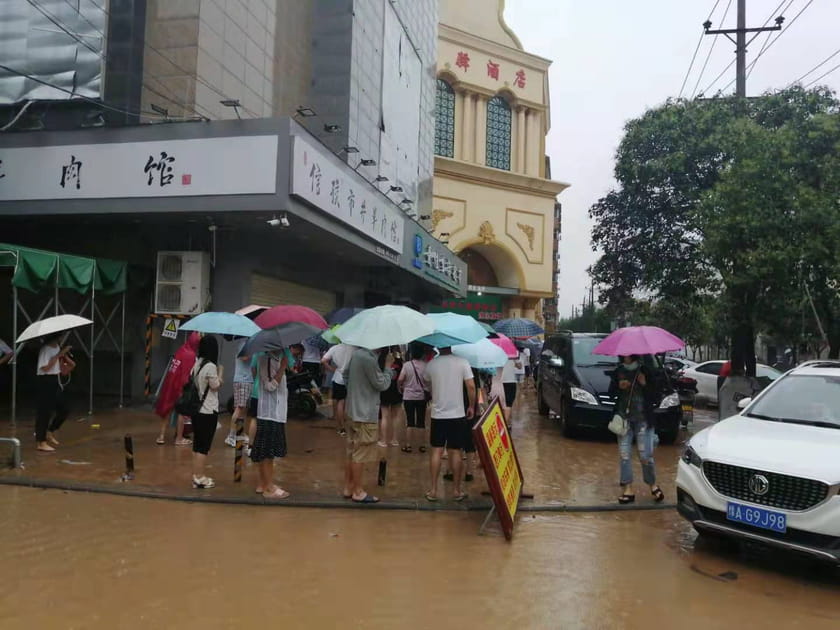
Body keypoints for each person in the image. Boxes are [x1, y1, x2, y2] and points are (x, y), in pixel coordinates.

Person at [608, 354, 664, 505]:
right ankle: (628, 488)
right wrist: (619, 386)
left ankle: (653, 485)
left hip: (643, 420)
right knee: (624, 455)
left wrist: (644, 383)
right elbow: (610, 393)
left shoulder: (646, 370)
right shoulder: (618, 371)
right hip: (624, 420)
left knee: (645, 455)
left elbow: (656, 396)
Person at [423, 346, 476, 502]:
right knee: (455, 452)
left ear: (438, 346)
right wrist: (471, 406)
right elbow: (471, 387)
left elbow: (427, 383)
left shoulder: (432, 364)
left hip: (438, 415)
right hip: (457, 414)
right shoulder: (462, 362)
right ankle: (456, 491)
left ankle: (433, 490)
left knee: (436, 452)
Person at [342, 346, 393, 504]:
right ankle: (358, 491)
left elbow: (345, 375)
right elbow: (381, 384)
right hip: (365, 413)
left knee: (351, 450)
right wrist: (388, 369)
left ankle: (349, 487)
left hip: (352, 410)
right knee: (361, 452)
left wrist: (355, 391)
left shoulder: (356, 354)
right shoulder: (369, 359)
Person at [252, 348, 291, 499]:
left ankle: (264, 484)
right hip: (269, 413)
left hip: (276, 413)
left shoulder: (276, 357)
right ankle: (268, 487)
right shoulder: (266, 359)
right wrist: (282, 367)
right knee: (267, 453)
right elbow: (269, 386)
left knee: (267, 452)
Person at [153, 332, 200, 446]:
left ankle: (161, 436)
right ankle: (179, 438)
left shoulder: (181, 350)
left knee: (167, 410)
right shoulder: (190, 355)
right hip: (180, 385)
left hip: (170, 383)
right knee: (181, 411)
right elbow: (185, 375)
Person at [190, 336, 223, 489]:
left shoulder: (197, 363)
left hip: (197, 410)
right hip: (208, 410)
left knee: (197, 445)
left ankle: (196, 474)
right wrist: (220, 373)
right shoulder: (210, 366)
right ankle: (199, 477)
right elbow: (215, 386)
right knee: (203, 447)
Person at [34, 333, 76, 452]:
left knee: (64, 408)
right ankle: (40, 442)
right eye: (62, 336)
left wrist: (65, 358)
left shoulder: (57, 348)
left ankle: (50, 431)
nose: (62, 338)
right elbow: (45, 368)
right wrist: (59, 354)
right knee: (44, 412)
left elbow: (64, 369)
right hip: (45, 381)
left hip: (54, 380)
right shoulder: (45, 349)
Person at [397, 342, 429, 454]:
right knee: (421, 421)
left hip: (408, 396)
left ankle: (408, 445)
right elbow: (428, 381)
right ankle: (422, 445)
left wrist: (400, 387)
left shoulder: (407, 365)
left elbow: (400, 379)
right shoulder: (425, 365)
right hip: (421, 397)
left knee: (409, 421)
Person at [225, 339, 254, 448]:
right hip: (242, 380)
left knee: (244, 409)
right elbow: (244, 357)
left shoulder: (249, 343)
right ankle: (231, 436)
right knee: (239, 408)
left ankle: (239, 433)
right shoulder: (244, 343)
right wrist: (255, 351)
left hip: (248, 379)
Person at [322, 343, 355, 435]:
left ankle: (341, 427)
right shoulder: (354, 348)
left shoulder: (335, 348)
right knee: (350, 404)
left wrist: (332, 369)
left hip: (338, 378)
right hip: (351, 378)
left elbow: (323, 360)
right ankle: (351, 426)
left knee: (340, 403)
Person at [378, 346, 404, 448]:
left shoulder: (380, 360)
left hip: (384, 389)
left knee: (384, 416)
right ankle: (395, 440)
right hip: (396, 390)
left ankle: (383, 440)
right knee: (396, 416)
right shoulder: (399, 360)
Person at [501, 355, 521, 428]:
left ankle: (507, 422)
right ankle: (505, 424)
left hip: (501, 380)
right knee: (509, 403)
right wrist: (515, 362)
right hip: (511, 380)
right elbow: (520, 366)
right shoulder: (513, 354)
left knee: (504, 402)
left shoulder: (499, 352)